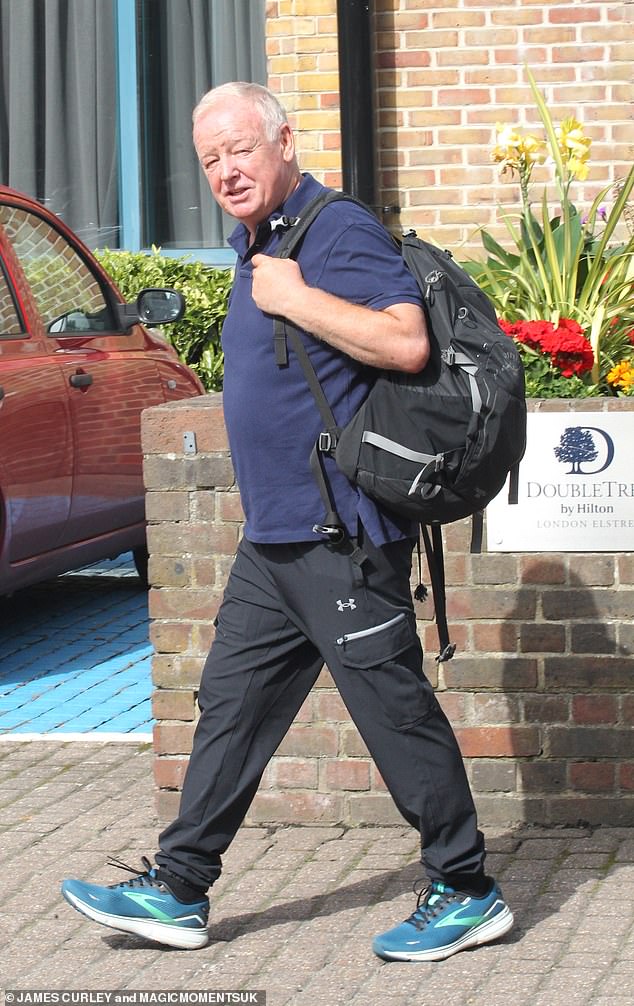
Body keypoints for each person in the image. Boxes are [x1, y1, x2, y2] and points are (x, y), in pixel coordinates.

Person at [61, 81, 513, 962]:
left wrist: (296, 296)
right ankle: (180, 889)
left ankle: (466, 886)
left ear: (283, 142)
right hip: (276, 541)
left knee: (393, 711)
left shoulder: (333, 229)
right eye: (210, 160)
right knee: (230, 710)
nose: (226, 171)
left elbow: (405, 342)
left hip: (338, 536)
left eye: (239, 150)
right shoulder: (261, 241)